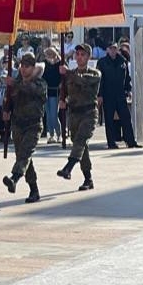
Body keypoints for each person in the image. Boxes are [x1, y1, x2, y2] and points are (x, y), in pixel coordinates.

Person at [2, 53, 47, 203]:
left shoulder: (40, 83)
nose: (23, 69)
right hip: (18, 125)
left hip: (33, 125)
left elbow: (31, 90)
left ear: (33, 68)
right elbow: (9, 100)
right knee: (25, 158)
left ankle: (14, 178)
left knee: (24, 155)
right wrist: (6, 110)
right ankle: (34, 189)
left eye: (27, 66)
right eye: (21, 66)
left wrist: (14, 83)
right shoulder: (16, 83)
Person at [57, 44, 102, 190]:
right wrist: (63, 100)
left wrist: (67, 73)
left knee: (81, 140)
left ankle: (68, 167)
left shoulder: (95, 74)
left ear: (88, 57)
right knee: (81, 145)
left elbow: (82, 81)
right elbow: (64, 90)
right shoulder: (70, 74)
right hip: (74, 113)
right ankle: (88, 178)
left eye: (83, 54)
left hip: (89, 113)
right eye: (77, 54)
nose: (79, 57)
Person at [97, 41, 142, 149]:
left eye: (115, 48)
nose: (113, 50)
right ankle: (111, 143)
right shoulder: (102, 62)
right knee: (109, 120)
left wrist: (128, 89)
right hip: (108, 95)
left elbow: (127, 78)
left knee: (126, 118)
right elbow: (100, 80)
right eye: (111, 48)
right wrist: (100, 95)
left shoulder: (122, 61)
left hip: (120, 94)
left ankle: (130, 141)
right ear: (107, 50)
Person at [43, 47, 63, 143]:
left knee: (54, 115)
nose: (47, 57)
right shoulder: (44, 64)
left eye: (49, 54)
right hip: (46, 91)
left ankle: (59, 134)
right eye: (46, 55)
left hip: (55, 92)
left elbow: (63, 77)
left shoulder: (60, 63)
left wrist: (60, 85)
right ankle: (51, 135)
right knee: (48, 115)